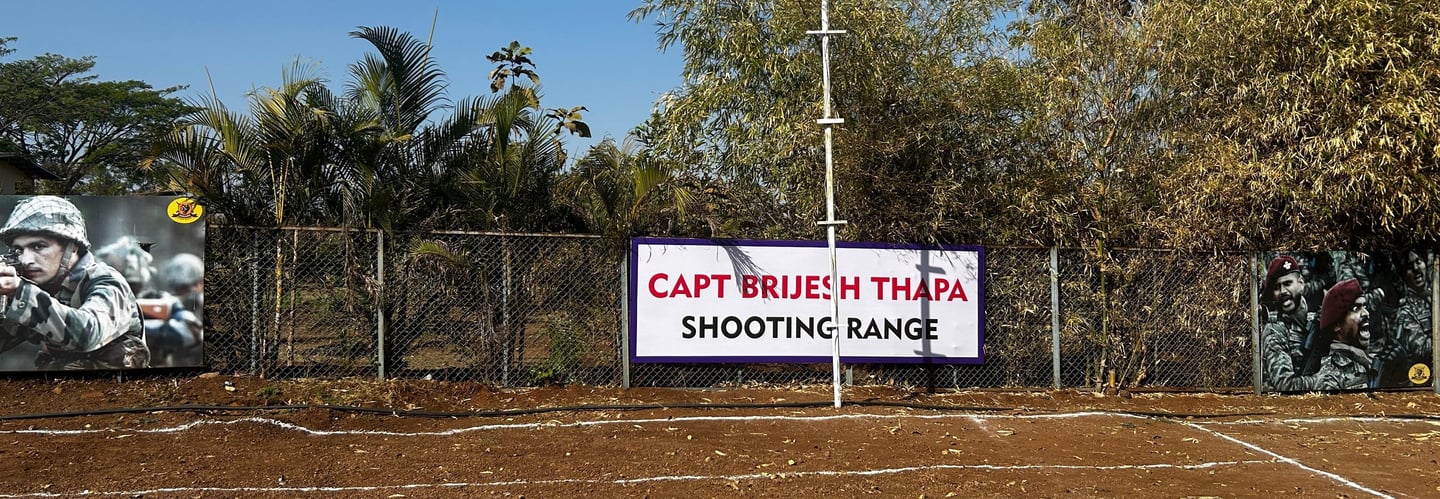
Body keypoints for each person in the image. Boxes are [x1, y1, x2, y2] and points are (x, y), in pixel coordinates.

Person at [0, 196, 148, 370]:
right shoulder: (42, 288)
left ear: (72, 247)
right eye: (19, 250)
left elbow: (88, 334)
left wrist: (19, 292)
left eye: (39, 246)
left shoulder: (105, 281)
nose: (26, 260)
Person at [1261, 255, 1324, 391]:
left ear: (1301, 283)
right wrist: (1325, 379)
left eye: (1288, 283)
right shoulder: (1274, 330)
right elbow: (1285, 385)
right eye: (1277, 287)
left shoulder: (1315, 320)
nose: (1283, 291)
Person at [1314, 278, 1376, 390]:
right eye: (1356, 308)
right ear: (1336, 325)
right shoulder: (1330, 378)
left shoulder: (1365, 360)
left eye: (1364, 307)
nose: (1366, 313)